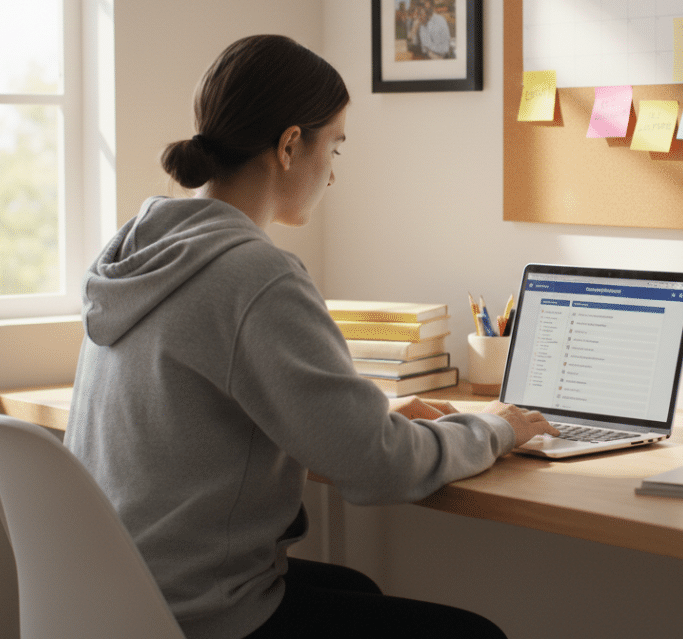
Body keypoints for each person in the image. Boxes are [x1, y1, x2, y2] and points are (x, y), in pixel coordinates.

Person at [64, 34, 557, 639]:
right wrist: (494, 429)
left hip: (118, 602)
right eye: (337, 147)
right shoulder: (253, 274)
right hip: (205, 616)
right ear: (291, 144)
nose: (333, 175)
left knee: (357, 591)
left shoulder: (139, 251)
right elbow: (379, 469)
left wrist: (369, 415)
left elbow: (214, 413)